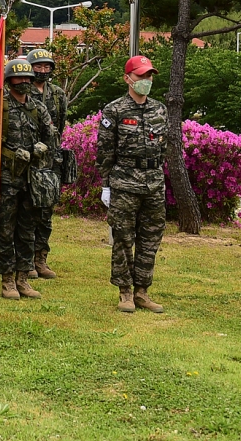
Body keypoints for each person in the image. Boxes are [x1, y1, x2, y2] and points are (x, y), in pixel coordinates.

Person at [97, 54, 168, 314]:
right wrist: (106, 185)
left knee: (150, 240)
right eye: (141, 76)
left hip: (153, 184)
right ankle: (125, 292)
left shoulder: (160, 109)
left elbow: (164, 148)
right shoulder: (114, 110)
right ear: (128, 78)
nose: (146, 80)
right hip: (125, 184)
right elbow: (104, 151)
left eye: (149, 75)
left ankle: (142, 291)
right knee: (124, 239)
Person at [0, 57, 56, 301]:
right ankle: (7, 280)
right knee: (5, 231)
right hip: (6, 179)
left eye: (28, 77)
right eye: (19, 77)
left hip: (32, 180)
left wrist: (41, 149)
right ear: (8, 80)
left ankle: (23, 278)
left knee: (28, 230)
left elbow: (51, 137)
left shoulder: (38, 108)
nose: (25, 81)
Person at [26, 48, 68, 280]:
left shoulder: (58, 94)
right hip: (28, 160)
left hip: (50, 162)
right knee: (27, 211)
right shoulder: (24, 91)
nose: (43, 71)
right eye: (38, 66)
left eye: (46, 66)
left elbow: (58, 126)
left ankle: (40, 258)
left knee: (46, 212)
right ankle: (25, 259)